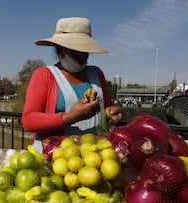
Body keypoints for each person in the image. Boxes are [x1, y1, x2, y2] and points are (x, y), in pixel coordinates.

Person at [22, 17, 122, 152]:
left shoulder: (96, 74)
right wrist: (70, 117)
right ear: (59, 50)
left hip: (94, 156)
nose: (81, 56)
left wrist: (111, 112)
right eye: (75, 51)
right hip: (56, 157)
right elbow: (29, 121)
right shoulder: (44, 75)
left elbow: (107, 105)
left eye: (85, 51)